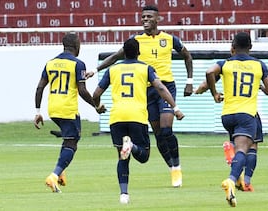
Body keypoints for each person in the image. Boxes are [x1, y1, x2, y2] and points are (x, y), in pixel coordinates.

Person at [86, 5, 193, 187]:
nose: (145, 20)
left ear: (158, 19)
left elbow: (187, 56)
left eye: (149, 17)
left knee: (167, 129)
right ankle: (171, 169)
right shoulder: (136, 40)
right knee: (158, 133)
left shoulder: (169, 39)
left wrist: (189, 81)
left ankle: (177, 165)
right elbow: (115, 57)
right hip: (146, 91)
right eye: (143, 17)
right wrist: (95, 70)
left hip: (165, 87)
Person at [92, 38, 184, 204]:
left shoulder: (113, 69)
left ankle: (124, 195)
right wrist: (175, 108)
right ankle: (132, 146)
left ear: (123, 53)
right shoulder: (145, 68)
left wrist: (98, 107)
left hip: (117, 117)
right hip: (137, 116)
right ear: (139, 52)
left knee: (122, 157)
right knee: (143, 156)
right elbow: (161, 88)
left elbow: (96, 94)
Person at [205, 32, 268, 207]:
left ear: (233, 47)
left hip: (227, 115)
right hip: (246, 114)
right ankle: (232, 180)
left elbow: (209, 72)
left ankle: (238, 179)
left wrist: (214, 93)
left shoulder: (225, 63)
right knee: (244, 149)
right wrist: (261, 87)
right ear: (251, 47)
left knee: (240, 148)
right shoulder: (259, 65)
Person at [194, 76, 268, 192]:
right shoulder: (255, 66)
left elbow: (206, 83)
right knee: (252, 146)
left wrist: (199, 90)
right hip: (248, 114)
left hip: (228, 114)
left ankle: (232, 150)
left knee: (238, 144)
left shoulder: (226, 66)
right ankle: (246, 181)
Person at [34, 33, 106, 193]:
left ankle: (61, 173)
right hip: (68, 109)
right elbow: (82, 90)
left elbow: (40, 87)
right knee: (72, 142)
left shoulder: (50, 63)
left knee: (69, 138)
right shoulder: (78, 64)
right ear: (76, 46)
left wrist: (38, 112)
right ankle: (53, 176)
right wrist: (97, 105)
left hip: (53, 109)